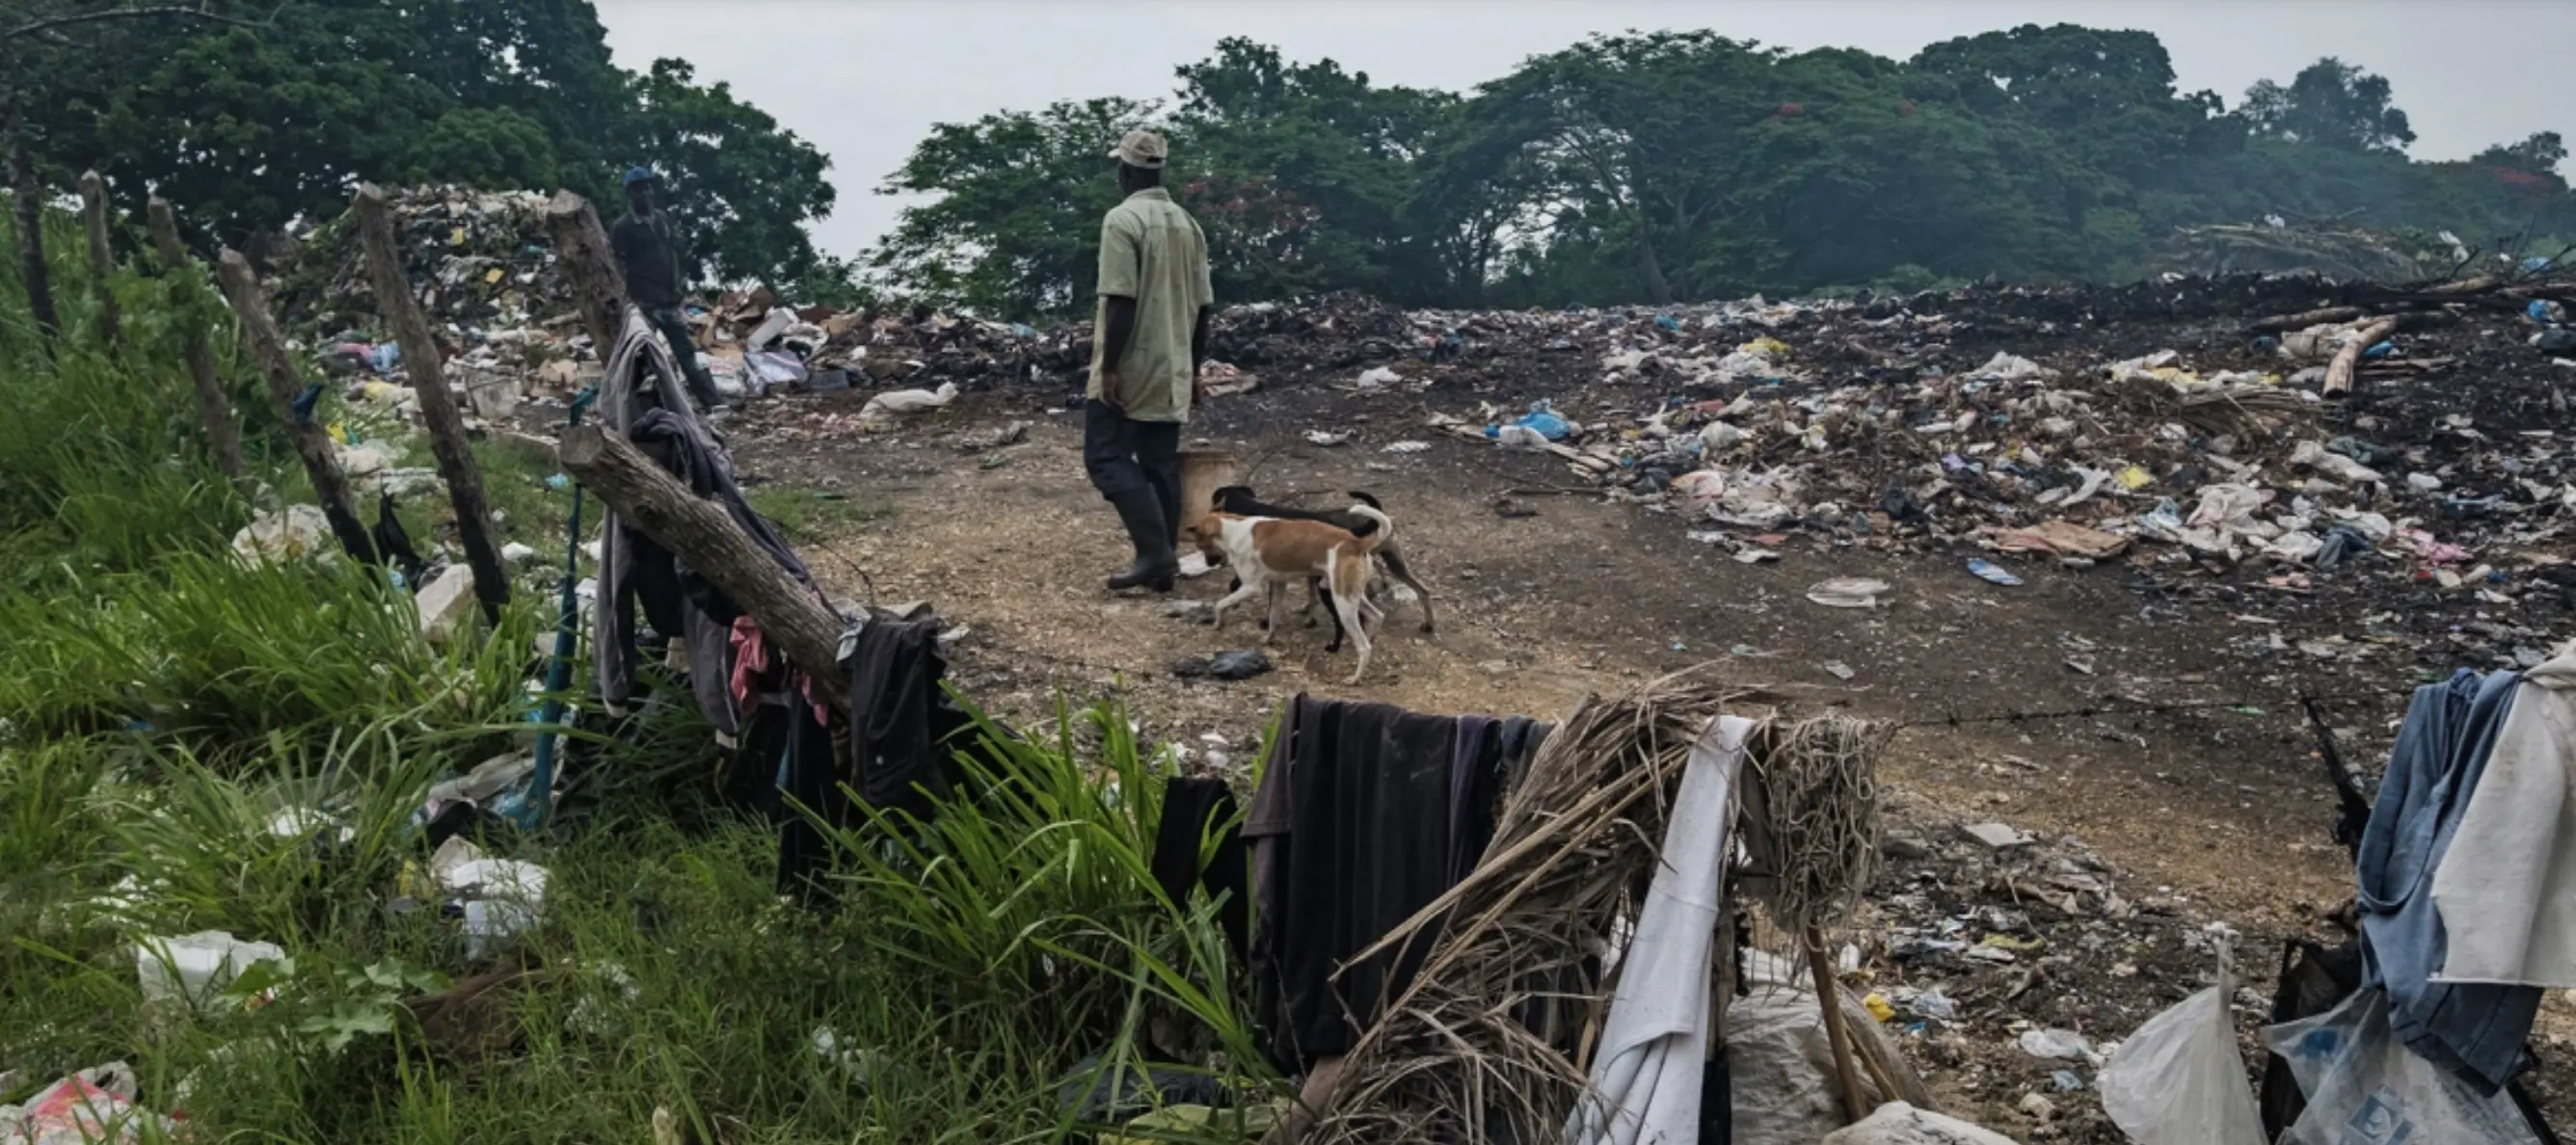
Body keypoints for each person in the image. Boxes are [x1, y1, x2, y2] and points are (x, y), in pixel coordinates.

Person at [1086, 129, 1214, 592]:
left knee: (1105, 456)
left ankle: (1155, 553)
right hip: (1176, 360)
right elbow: (1203, 308)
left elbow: (1120, 300)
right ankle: (1163, 565)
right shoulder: (1188, 224)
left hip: (1135, 361)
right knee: (1159, 461)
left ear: (1125, 170)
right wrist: (1195, 372)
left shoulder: (1122, 220)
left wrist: (1110, 368)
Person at [608, 166, 724, 412]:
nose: (646, 194)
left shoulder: (661, 219)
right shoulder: (624, 227)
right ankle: (623, 408)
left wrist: (677, 288)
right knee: (638, 359)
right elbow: (617, 264)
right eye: (640, 189)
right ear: (630, 194)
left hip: (669, 301)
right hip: (643, 304)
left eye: (649, 188)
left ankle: (713, 403)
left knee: (688, 356)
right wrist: (625, 299)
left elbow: (672, 255)